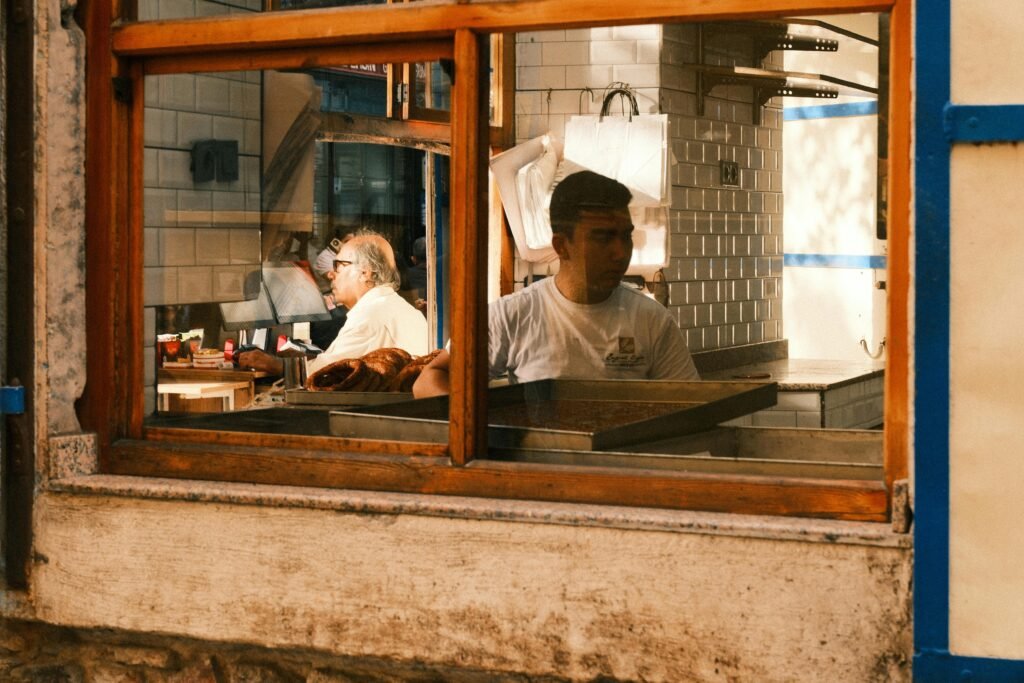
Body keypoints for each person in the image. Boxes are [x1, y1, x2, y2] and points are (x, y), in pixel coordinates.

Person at [413, 170, 698, 397]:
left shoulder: (651, 320)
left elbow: (688, 406)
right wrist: (487, 429)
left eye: (625, 236)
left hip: (621, 468)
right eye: (602, 238)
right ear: (562, 246)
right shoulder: (513, 315)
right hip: (540, 467)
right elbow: (432, 379)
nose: (621, 252)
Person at [239, 230, 428, 376]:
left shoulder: (371, 315)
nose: (331, 274)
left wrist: (273, 364)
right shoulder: (397, 308)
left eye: (338, 265)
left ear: (365, 273)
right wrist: (311, 359)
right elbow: (339, 362)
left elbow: (326, 374)